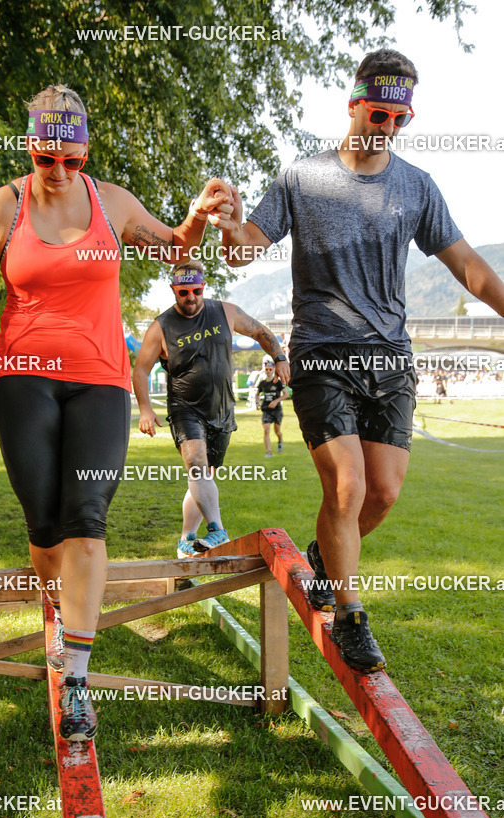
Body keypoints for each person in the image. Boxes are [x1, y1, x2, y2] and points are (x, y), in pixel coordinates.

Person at [0, 85, 231, 742]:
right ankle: (59, 601)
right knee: (46, 530)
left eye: (70, 160)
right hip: (22, 382)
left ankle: (74, 673)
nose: (57, 172)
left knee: (86, 519)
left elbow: (173, 249)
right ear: (31, 148)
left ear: (85, 152)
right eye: (46, 158)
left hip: (101, 382)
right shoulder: (2, 207)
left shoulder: (109, 202)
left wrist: (193, 219)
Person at [216, 49, 504, 672]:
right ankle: (350, 619)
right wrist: (229, 225)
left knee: (383, 493)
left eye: (402, 119)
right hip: (321, 353)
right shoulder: (301, 178)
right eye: (380, 114)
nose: (390, 128)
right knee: (347, 486)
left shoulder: (417, 186)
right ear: (353, 104)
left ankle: (325, 559)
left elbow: (470, 268)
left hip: (391, 360)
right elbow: (244, 249)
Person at [133, 260, 289, 557]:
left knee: (203, 476)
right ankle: (217, 530)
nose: (190, 297)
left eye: (195, 290)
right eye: (183, 292)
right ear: (173, 290)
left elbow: (259, 331)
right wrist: (144, 409)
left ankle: (185, 540)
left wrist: (280, 356)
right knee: (197, 466)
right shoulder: (161, 326)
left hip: (222, 410)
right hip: (185, 408)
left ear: (203, 287)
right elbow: (140, 369)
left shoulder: (225, 312)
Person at [256, 355, 285, 455]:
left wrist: (276, 401)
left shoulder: (277, 382)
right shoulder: (262, 383)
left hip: (277, 410)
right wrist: (257, 403)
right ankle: (269, 452)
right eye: (267, 369)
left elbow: (286, 394)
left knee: (277, 431)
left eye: (270, 369)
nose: (268, 371)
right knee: (266, 430)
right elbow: (257, 394)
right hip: (266, 410)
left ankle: (280, 440)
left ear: (273, 370)